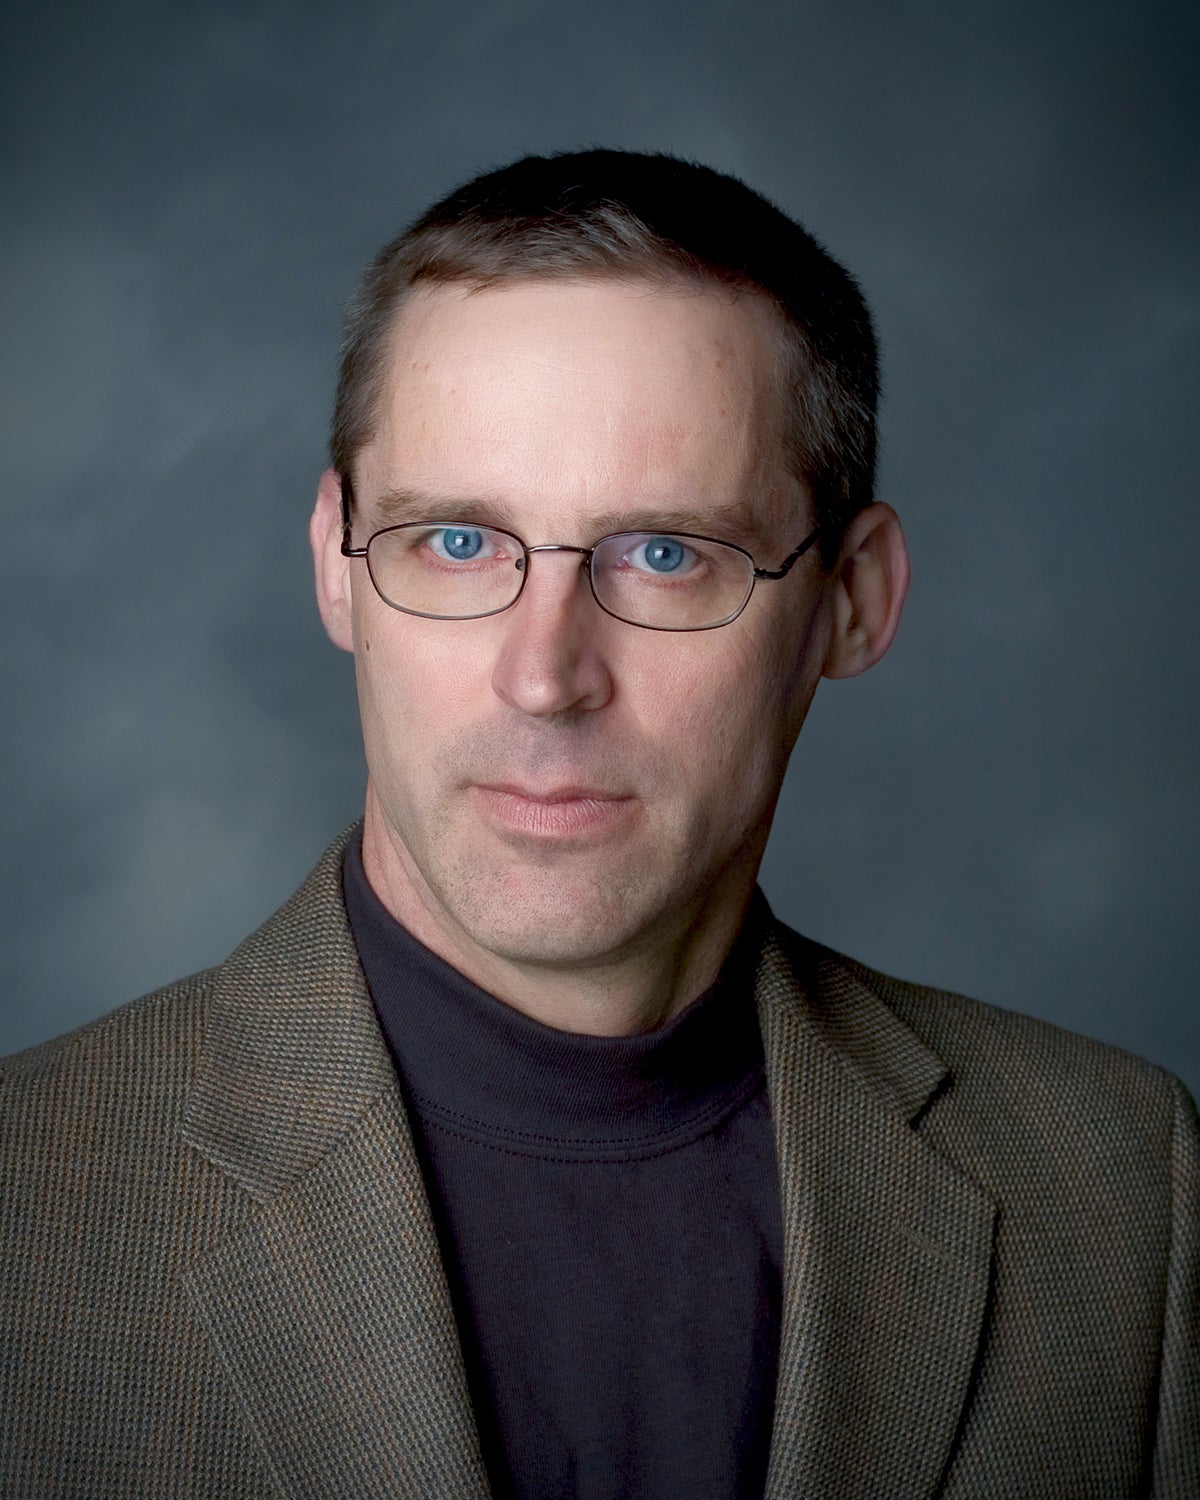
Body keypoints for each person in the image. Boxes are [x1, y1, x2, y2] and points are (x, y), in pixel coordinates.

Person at [1, 150, 1196, 1500]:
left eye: (665, 553)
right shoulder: (23, 1205)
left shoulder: (1121, 1192)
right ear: (337, 565)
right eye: (457, 542)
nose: (545, 676)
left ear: (853, 600)